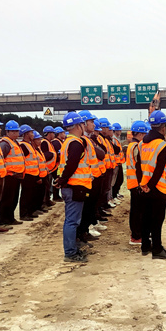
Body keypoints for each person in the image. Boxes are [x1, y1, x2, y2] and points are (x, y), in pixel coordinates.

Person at [54, 112, 93, 262]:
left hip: (71, 186)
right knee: (72, 221)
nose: (84, 126)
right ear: (78, 125)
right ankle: (70, 252)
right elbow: (71, 165)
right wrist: (63, 180)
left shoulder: (67, 142)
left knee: (71, 220)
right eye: (82, 124)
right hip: (75, 186)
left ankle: (72, 249)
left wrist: (61, 180)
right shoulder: (76, 143)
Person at [137, 110, 166, 259]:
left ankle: (145, 246)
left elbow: (138, 166)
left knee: (146, 217)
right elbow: (159, 169)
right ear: (163, 127)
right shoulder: (162, 145)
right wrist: (151, 186)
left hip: (145, 187)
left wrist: (143, 185)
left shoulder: (142, 144)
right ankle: (157, 249)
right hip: (158, 188)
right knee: (157, 220)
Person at [76, 110, 106, 244]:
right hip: (85, 180)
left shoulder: (89, 139)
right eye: (91, 122)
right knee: (85, 209)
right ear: (83, 123)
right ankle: (81, 235)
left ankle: (85, 232)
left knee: (89, 208)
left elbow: (102, 153)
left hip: (92, 177)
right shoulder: (81, 140)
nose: (94, 124)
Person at [0, 120, 25, 226]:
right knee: (6, 199)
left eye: (17, 131)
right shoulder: (5, 144)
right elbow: (0, 159)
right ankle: (3, 220)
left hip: (16, 176)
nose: (16, 133)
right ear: (7, 132)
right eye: (13, 131)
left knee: (13, 199)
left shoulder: (15, 143)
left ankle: (10, 218)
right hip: (9, 176)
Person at [126, 120, 148, 245]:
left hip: (133, 183)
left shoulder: (131, 146)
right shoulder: (136, 147)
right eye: (144, 134)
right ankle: (136, 236)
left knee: (136, 210)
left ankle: (136, 235)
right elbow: (139, 166)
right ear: (140, 134)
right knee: (137, 211)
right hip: (136, 184)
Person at [18, 125, 41, 221]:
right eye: (31, 132)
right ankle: (24, 214)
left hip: (33, 174)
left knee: (31, 195)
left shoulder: (29, 145)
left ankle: (29, 212)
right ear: (26, 134)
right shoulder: (23, 145)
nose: (33, 134)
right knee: (26, 195)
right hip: (27, 174)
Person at [40, 126, 58, 207]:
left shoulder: (49, 142)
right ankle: (45, 202)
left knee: (48, 186)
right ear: (49, 133)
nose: (54, 135)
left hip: (50, 168)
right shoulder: (44, 142)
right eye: (53, 133)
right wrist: (52, 154)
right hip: (46, 168)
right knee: (46, 186)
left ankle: (47, 200)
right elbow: (44, 155)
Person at [33, 130, 49, 214]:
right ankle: (34, 209)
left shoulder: (38, 149)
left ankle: (39, 207)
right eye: (38, 139)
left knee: (41, 192)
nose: (40, 141)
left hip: (43, 174)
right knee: (36, 193)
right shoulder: (33, 150)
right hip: (37, 175)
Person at [111, 123, 125, 202]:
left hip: (119, 162)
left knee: (119, 180)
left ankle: (116, 194)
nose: (120, 132)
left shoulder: (117, 139)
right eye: (119, 130)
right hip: (116, 163)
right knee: (116, 181)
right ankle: (114, 195)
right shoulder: (114, 140)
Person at [51, 126, 65, 201]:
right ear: (59, 134)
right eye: (63, 133)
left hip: (59, 165)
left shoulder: (60, 141)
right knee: (56, 179)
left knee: (57, 179)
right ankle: (55, 196)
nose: (64, 134)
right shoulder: (56, 142)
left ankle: (56, 196)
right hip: (56, 165)